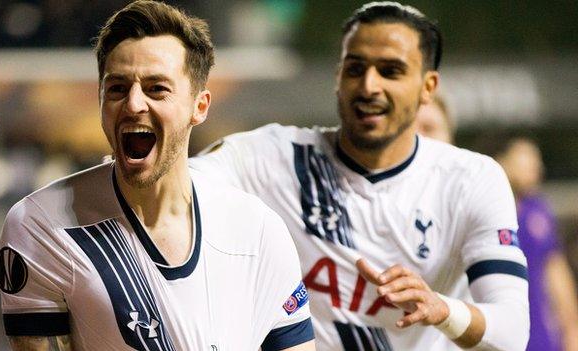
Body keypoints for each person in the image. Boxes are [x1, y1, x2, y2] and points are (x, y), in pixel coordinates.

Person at [191, 2, 529, 350]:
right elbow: (179, 189)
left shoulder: (471, 179)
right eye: (355, 69)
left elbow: (512, 333)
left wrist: (442, 310)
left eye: (390, 71)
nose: (369, 86)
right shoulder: (271, 157)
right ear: (338, 77)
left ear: (428, 87)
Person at [0, 1, 315, 350]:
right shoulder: (42, 225)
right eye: (117, 88)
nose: (133, 104)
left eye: (156, 88)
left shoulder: (259, 231)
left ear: (200, 106)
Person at [494, 137, 578, 351]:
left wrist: (571, 329)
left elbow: (555, 272)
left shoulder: (538, 210)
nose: (536, 166)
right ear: (501, 160)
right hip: (497, 336)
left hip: (542, 338)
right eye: (526, 157)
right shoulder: (487, 212)